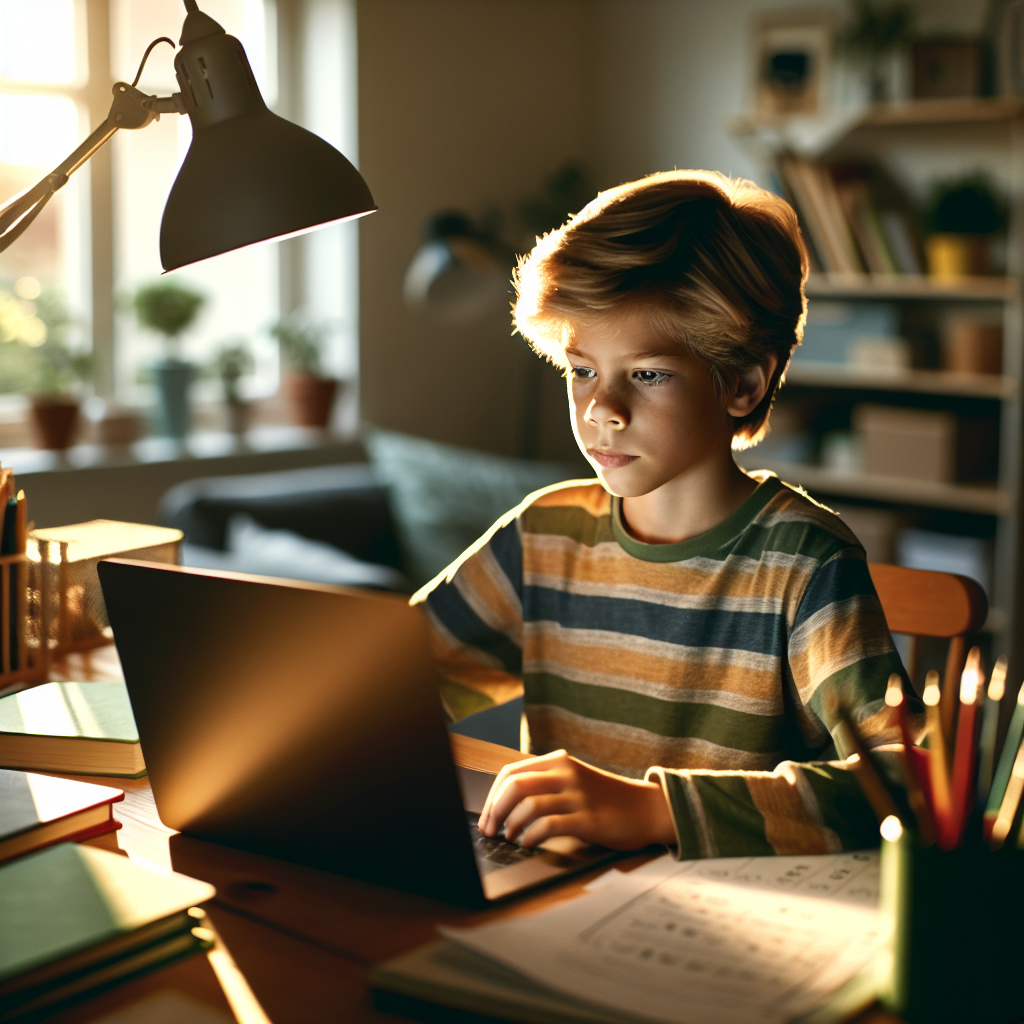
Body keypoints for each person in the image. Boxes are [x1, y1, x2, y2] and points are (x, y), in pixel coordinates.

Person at [412, 169, 912, 858]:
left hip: (733, 924)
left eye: (647, 374)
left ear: (742, 383)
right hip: (556, 904)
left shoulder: (806, 562)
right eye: (582, 369)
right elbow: (401, 681)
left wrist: (656, 810)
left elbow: (902, 786)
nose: (600, 410)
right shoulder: (545, 533)